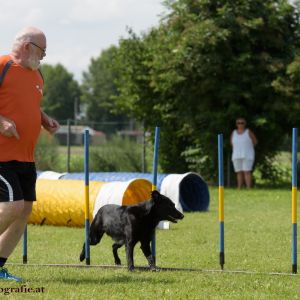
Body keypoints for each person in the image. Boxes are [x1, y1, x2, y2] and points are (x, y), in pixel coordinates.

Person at [0, 27, 60, 282]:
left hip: (25, 157)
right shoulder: (2, 66)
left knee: (24, 210)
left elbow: (30, 105)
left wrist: (43, 118)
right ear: (26, 46)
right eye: (42, 51)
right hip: (2, 156)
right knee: (12, 206)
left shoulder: (38, 75)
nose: (43, 57)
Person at [230, 118, 257, 189]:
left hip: (247, 155)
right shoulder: (234, 133)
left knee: (247, 171)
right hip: (236, 155)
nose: (240, 124)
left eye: (242, 123)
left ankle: (248, 187)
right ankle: (239, 187)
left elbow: (255, 142)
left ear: (245, 124)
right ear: (236, 124)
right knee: (238, 172)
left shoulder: (248, 132)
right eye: (238, 123)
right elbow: (231, 143)